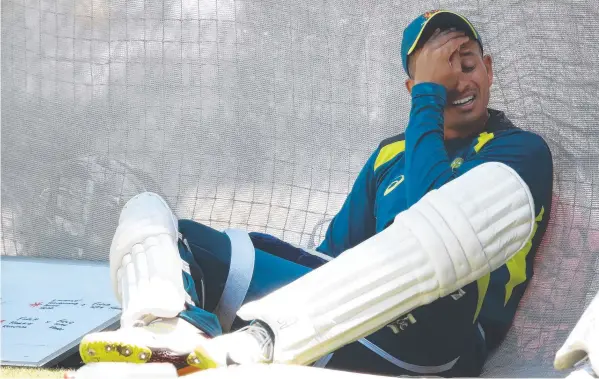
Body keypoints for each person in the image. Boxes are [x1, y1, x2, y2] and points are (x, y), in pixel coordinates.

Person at [79, 10, 553, 377]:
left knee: (445, 235)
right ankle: (164, 335)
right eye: (436, 77)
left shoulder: (519, 151)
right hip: (351, 316)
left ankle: (256, 342)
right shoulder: (390, 155)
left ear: (488, 70)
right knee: (164, 225)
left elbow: (441, 219)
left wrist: (428, 100)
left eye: (465, 65)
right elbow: (333, 257)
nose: (457, 84)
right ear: (409, 89)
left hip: (443, 338)